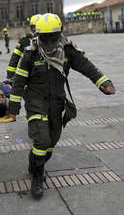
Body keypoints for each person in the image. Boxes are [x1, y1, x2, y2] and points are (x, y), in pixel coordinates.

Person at [7, 13, 115, 199]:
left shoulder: (67, 50)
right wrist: (13, 110)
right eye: (45, 37)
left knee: (51, 142)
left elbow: (86, 66)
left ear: (59, 33)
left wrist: (103, 82)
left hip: (57, 103)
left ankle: (35, 163)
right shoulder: (30, 53)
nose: (49, 41)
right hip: (36, 103)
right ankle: (38, 177)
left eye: (53, 36)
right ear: (39, 35)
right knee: (42, 141)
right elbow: (18, 82)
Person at [6, 14, 40, 80]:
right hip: (28, 76)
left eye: (36, 27)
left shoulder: (48, 41)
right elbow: (15, 58)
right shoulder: (24, 41)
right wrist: (10, 76)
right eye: (33, 27)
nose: (34, 29)